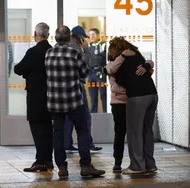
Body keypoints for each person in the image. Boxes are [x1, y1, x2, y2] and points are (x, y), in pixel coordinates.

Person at [45, 25, 105, 177]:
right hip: (73, 100)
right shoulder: (73, 53)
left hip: (54, 102)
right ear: (70, 38)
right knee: (82, 130)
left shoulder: (48, 53)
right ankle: (85, 165)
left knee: (57, 134)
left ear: (56, 37)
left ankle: (62, 168)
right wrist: (86, 51)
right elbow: (84, 72)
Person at [104, 37, 154, 172]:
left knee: (137, 133)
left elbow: (149, 62)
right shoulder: (115, 65)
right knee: (121, 133)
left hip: (135, 100)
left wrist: (148, 65)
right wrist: (131, 86)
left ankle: (139, 165)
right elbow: (114, 87)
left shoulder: (132, 62)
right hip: (120, 104)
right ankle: (118, 162)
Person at [14, 22, 53, 172]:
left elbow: (18, 69)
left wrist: (28, 73)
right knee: (48, 129)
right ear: (48, 35)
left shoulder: (33, 52)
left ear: (35, 35)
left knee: (37, 129)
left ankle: (41, 161)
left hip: (36, 96)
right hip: (51, 95)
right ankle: (48, 160)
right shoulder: (51, 50)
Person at [64, 26, 102, 152]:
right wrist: (86, 50)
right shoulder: (76, 48)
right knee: (85, 117)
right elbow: (86, 67)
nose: (84, 40)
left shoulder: (64, 47)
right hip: (77, 86)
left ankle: (67, 144)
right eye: (83, 37)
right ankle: (88, 145)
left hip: (66, 88)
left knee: (68, 117)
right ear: (78, 37)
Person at [88, 28, 107, 113]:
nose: (91, 36)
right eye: (90, 35)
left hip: (101, 74)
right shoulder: (89, 46)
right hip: (91, 74)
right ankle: (93, 114)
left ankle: (105, 113)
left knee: (103, 95)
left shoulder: (103, 45)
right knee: (93, 97)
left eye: (93, 34)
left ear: (98, 35)